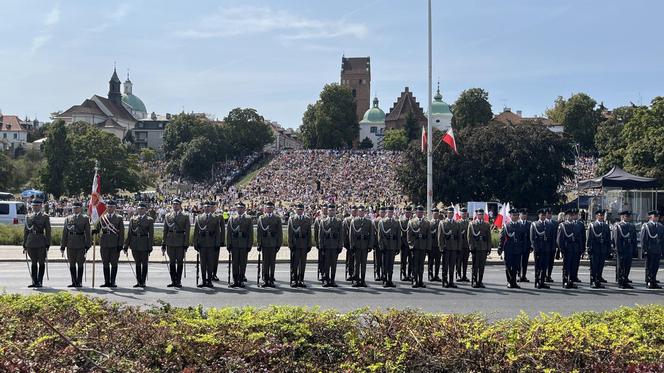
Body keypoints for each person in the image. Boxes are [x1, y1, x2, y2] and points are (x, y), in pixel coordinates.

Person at [60, 201, 91, 288]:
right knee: (72, 263)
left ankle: (79, 281)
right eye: (73, 208)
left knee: (80, 263)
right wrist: (63, 245)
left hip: (80, 244)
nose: (75, 209)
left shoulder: (85, 218)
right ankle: (74, 281)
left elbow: (87, 233)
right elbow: (65, 233)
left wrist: (88, 244)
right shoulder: (68, 218)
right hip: (70, 244)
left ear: (80, 208)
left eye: (77, 208)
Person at [124, 202, 154, 288]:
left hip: (144, 242)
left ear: (145, 210)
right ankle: (138, 281)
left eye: (142, 208)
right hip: (135, 243)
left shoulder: (149, 220)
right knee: (137, 262)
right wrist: (126, 245)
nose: (140, 210)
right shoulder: (133, 219)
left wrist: (150, 246)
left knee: (144, 263)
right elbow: (130, 233)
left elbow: (151, 234)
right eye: (139, 208)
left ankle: (143, 281)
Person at [94, 200, 124, 288]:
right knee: (105, 263)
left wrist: (120, 244)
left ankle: (113, 281)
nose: (110, 208)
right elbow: (98, 228)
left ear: (115, 207)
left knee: (114, 263)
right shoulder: (102, 217)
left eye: (112, 206)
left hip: (114, 244)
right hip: (104, 243)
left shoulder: (119, 218)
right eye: (109, 206)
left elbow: (121, 232)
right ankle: (106, 281)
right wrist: (95, 230)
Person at [161, 198, 190, 288]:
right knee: (172, 262)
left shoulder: (185, 216)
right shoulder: (168, 216)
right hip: (170, 241)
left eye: (177, 204)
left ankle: (178, 280)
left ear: (180, 205)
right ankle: (173, 280)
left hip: (180, 241)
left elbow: (187, 231)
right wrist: (163, 243)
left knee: (180, 261)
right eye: (173, 204)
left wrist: (186, 244)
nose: (175, 206)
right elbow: (165, 230)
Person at [23, 199, 51, 288]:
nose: (35, 207)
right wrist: (24, 244)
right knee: (33, 262)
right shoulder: (28, 216)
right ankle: (34, 281)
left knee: (41, 262)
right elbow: (26, 231)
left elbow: (48, 231)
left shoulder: (45, 217)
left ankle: (40, 281)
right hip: (30, 242)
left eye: (37, 206)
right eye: (33, 206)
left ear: (40, 206)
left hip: (41, 242)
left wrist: (48, 243)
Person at [193, 201, 221, 288]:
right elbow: (196, 232)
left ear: (211, 208)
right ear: (203, 208)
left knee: (210, 263)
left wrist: (217, 243)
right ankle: (203, 280)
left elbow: (217, 232)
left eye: (208, 207)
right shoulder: (199, 218)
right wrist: (195, 243)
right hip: (202, 243)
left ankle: (209, 280)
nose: (207, 208)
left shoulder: (216, 218)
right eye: (205, 207)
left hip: (211, 244)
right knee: (203, 263)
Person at [226, 202, 253, 288]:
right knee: (235, 263)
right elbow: (229, 232)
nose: (240, 209)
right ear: (236, 209)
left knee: (242, 263)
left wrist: (249, 245)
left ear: (244, 209)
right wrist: (228, 244)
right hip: (234, 244)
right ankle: (235, 280)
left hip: (244, 244)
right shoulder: (232, 218)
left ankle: (241, 280)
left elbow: (250, 233)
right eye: (238, 208)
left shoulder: (248, 219)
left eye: (241, 208)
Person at [257, 201, 283, 288]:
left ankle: (271, 279)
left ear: (273, 208)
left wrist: (278, 244)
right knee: (265, 262)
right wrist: (259, 243)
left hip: (273, 243)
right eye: (268, 208)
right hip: (264, 243)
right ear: (265, 208)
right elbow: (259, 232)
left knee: (272, 262)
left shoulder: (277, 218)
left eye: (271, 208)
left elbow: (280, 232)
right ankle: (265, 279)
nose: (269, 209)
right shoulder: (261, 218)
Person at [318, 204, 343, 287]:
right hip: (326, 246)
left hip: (335, 246)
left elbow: (341, 235)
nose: (331, 212)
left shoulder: (339, 222)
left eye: (333, 210)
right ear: (327, 211)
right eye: (330, 210)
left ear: (335, 211)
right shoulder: (323, 221)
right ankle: (326, 280)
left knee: (333, 264)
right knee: (326, 264)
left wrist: (340, 246)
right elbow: (321, 235)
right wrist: (321, 246)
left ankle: (332, 280)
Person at [287, 203, 311, 287]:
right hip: (295, 244)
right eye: (298, 209)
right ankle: (294, 279)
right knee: (294, 263)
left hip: (304, 244)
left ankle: (301, 279)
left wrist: (309, 244)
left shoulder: (307, 219)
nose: (300, 211)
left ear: (303, 210)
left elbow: (309, 233)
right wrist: (290, 244)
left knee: (303, 263)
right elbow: (290, 233)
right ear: (296, 210)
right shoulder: (292, 219)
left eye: (301, 209)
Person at [349, 205, 374, 287]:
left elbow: (371, 235)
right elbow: (351, 234)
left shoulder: (368, 222)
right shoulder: (354, 221)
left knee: (363, 264)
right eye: (360, 211)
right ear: (358, 212)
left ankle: (362, 280)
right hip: (357, 245)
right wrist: (352, 245)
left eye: (362, 211)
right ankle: (356, 280)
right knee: (356, 264)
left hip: (365, 245)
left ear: (364, 212)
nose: (361, 213)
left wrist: (370, 245)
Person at [586, 209, 611, 288]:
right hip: (595, 249)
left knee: (601, 265)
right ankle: (593, 280)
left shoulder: (606, 226)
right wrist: (589, 248)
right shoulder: (593, 225)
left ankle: (598, 279)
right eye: (600, 215)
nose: (601, 217)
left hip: (602, 248)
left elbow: (608, 239)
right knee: (594, 266)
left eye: (603, 216)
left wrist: (608, 249)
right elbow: (589, 238)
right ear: (596, 216)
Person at [407, 206, 431, 288]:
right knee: (415, 264)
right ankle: (414, 280)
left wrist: (428, 247)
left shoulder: (427, 223)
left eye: (421, 212)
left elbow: (429, 236)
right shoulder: (412, 222)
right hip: (415, 246)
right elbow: (409, 234)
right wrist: (411, 245)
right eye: (419, 212)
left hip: (423, 246)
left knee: (421, 265)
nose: (420, 213)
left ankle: (420, 280)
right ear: (416, 213)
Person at [468, 208, 490, 288]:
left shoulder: (486, 224)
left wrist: (488, 248)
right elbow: (469, 237)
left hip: (483, 248)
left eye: (482, 214)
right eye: (479, 214)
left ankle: (480, 281)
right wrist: (471, 247)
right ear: (476, 215)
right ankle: (474, 281)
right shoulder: (472, 224)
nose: (480, 216)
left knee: (482, 266)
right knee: (475, 266)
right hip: (476, 248)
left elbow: (489, 237)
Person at [378, 206, 400, 287]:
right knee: (385, 264)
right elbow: (380, 236)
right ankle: (384, 280)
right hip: (386, 246)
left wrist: (398, 247)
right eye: (389, 212)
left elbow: (398, 236)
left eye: (392, 212)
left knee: (391, 264)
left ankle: (390, 280)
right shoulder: (382, 222)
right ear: (387, 212)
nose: (390, 213)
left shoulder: (396, 222)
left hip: (393, 246)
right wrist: (381, 246)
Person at [614, 210, 637, 289]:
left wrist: (634, 249)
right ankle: (621, 281)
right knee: (621, 266)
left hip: (629, 248)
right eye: (626, 216)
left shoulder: (631, 226)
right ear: (623, 217)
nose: (628, 218)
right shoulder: (619, 226)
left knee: (627, 265)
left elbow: (634, 239)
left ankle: (625, 280)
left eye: (629, 216)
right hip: (622, 248)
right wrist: (618, 249)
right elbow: (617, 239)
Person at [498, 209, 521, 288]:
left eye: (516, 215)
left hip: (517, 249)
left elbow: (523, 238)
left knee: (516, 266)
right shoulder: (506, 225)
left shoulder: (520, 225)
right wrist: (500, 248)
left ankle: (514, 282)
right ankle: (509, 281)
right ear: (510, 216)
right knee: (508, 266)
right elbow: (502, 238)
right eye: (513, 215)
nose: (515, 217)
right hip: (509, 249)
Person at [640, 210, 662, 289]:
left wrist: (662, 250)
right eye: (655, 216)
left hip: (658, 250)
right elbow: (643, 239)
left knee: (655, 267)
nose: (656, 218)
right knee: (649, 266)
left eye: (657, 216)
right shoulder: (646, 226)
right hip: (649, 249)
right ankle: (648, 281)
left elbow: (662, 239)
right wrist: (644, 250)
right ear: (650, 217)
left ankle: (653, 280)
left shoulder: (660, 226)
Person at [439, 206, 460, 288]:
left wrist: (458, 247)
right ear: (447, 214)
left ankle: (451, 281)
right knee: (445, 266)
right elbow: (440, 237)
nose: (450, 214)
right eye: (449, 213)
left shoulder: (456, 223)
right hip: (446, 247)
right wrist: (441, 247)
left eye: (452, 213)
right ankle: (445, 281)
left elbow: (459, 237)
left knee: (452, 266)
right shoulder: (443, 223)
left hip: (454, 247)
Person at [556, 210, 578, 289]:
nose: (571, 217)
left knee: (573, 266)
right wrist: (562, 249)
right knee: (566, 266)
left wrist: (579, 248)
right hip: (567, 249)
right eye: (569, 215)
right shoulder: (562, 225)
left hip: (574, 249)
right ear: (566, 216)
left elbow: (578, 239)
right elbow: (559, 239)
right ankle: (565, 281)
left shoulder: (576, 225)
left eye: (572, 215)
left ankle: (571, 281)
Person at [530, 209, 550, 289]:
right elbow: (532, 238)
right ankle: (537, 281)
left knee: (544, 266)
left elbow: (550, 237)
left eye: (544, 215)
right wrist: (535, 248)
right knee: (538, 266)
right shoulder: (535, 224)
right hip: (538, 248)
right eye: (542, 215)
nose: (543, 217)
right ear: (539, 215)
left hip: (546, 248)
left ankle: (542, 281)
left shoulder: (548, 224)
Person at [211, 203, 226, 282]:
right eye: (211, 207)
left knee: (215, 258)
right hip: (207, 241)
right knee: (206, 259)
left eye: (213, 207)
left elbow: (223, 229)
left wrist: (222, 240)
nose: (212, 208)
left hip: (216, 240)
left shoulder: (219, 216)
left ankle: (214, 274)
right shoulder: (204, 216)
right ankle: (208, 274)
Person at [342, 206, 358, 281]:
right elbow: (344, 233)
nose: (354, 212)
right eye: (353, 211)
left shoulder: (359, 220)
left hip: (358, 243)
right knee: (350, 259)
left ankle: (356, 274)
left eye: (356, 211)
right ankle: (350, 273)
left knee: (357, 260)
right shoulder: (347, 220)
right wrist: (345, 243)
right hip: (349, 243)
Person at [313, 205, 328, 282]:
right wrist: (317, 243)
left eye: (326, 209)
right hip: (321, 243)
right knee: (321, 259)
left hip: (329, 243)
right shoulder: (318, 219)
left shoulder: (330, 218)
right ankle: (322, 273)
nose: (325, 210)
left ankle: (327, 274)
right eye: (324, 209)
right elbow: (316, 232)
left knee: (328, 260)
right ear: (322, 209)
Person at [456, 208, 471, 282]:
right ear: (460, 214)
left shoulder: (469, 223)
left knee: (465, 261)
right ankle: (459, 275)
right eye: (463, 213)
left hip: (467, 245)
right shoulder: (458, 222)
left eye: (465, 213)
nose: (464, 214)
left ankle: (464, 275)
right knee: (459, 261)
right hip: (460, 245)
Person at [517, 209, 532, 283]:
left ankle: (524, 275)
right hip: (519, 246)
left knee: (525, 262)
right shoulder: (517, 223)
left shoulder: (530, 224)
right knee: (519, 262)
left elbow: (531, 235)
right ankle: (519, 275)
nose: (524, 216)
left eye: (525, 214)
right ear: (519, 215)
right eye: (522, 214)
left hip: (527, 245)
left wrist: (531, 246)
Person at [399, 206, 413, 281]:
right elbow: (401, 234)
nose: (408, 214)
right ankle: (404, 274)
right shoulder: (402, 221)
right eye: (407, 212)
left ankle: (409, 274)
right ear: (405, 212)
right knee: (403, 261)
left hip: (411, 244)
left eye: (409, 212)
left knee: (411, 261)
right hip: (404, 244)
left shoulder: (412, 221)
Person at [545, 208, 559, 282]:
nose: (549, 215)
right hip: (545, 246)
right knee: (545, 262)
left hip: (552, 245)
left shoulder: (555, 223)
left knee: (551, 262)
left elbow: (557, 235)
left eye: (550, 213)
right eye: (548, 213)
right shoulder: (543, 223)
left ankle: (549, 275)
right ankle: (544, 275)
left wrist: (557, 247)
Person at [428, 208, 442, 282]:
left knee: (438, 261)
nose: (436, 215)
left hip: (438, 245)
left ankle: (436, 275)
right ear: (432, 214)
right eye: (434, 213)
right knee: (431, 261)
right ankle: (430, 275)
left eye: (437, 213)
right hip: (431, 245)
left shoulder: (441, 222)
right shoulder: (429, 223)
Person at [373, 206, 386, 281]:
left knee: (384, 260)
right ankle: (377, 273)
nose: (383, 213)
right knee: (378, 260)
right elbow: (374, 233)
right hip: (378, 242)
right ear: (379, 213)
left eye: (384, 212)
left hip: (385, 243)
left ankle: (383, 273)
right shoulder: (376, 221)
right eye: (381, 212)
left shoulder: (386, 221)